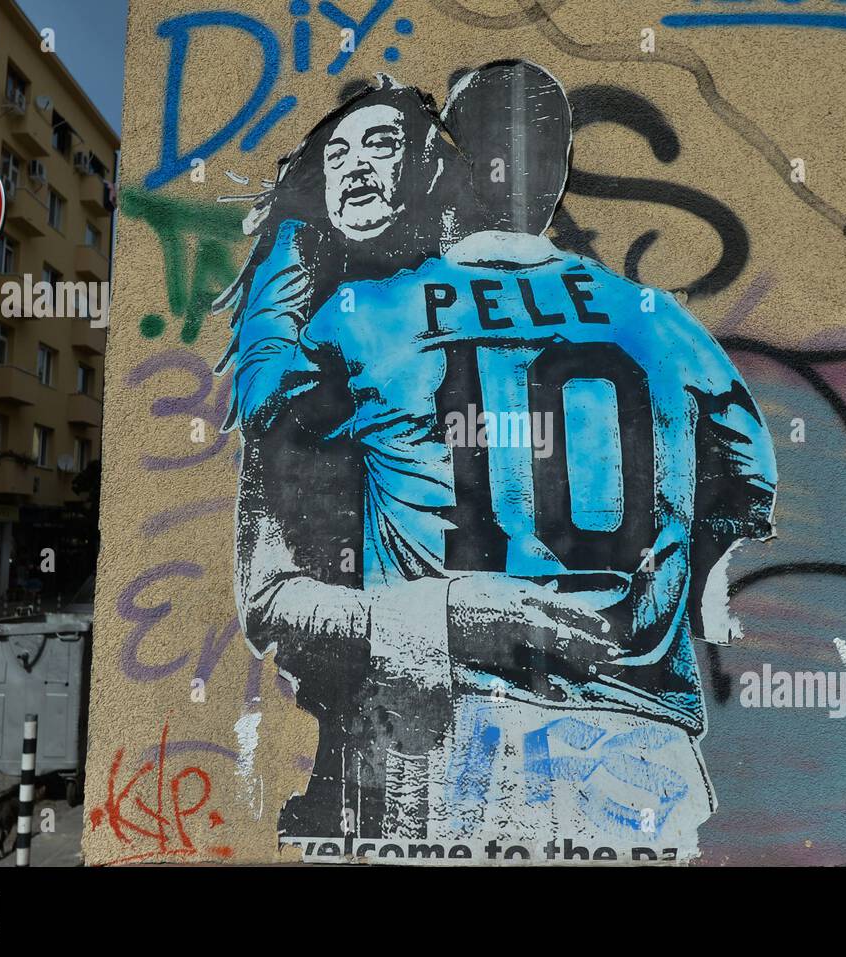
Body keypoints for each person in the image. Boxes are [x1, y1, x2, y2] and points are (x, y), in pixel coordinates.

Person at [263, 61, 778, 855]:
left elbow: (279, 549)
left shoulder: (360, 316)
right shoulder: (657, 320)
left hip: (438, 729)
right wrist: (692, 586)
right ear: (561, 172)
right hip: (635, 737)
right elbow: (747, 474)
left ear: (446, 166)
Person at [218, 72, 611, 840]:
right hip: (392, 760)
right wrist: (442, 616)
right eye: (335, 155)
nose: (356, 166)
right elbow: (267, 599)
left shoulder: (523, 312)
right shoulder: (300, 378)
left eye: (382, 143)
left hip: (579, 745)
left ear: (431, 167)